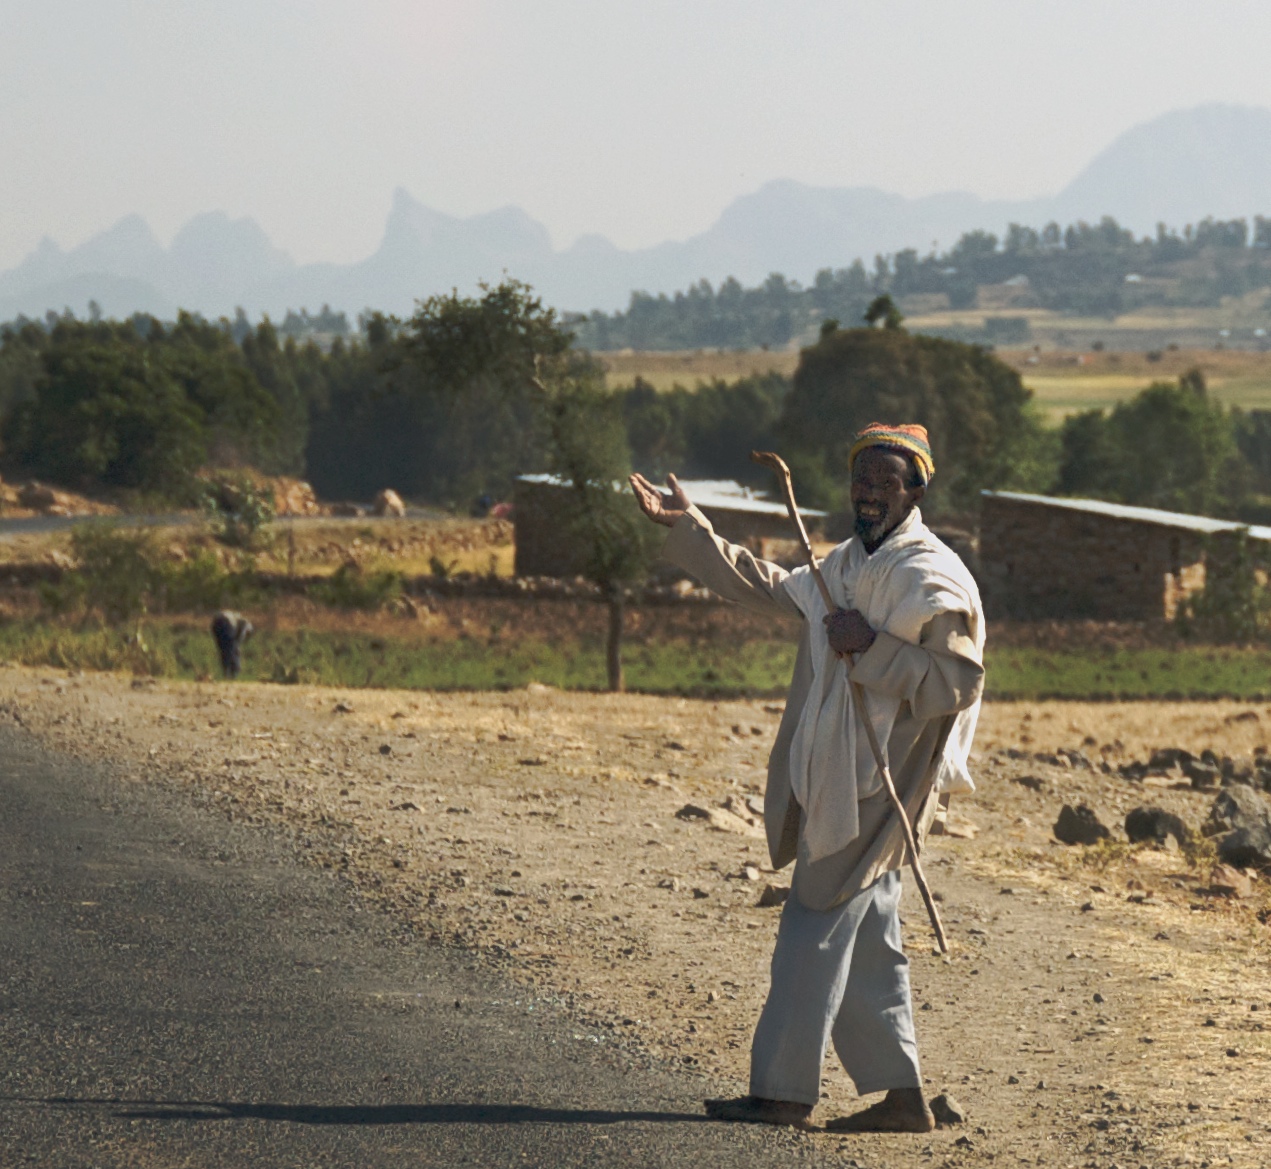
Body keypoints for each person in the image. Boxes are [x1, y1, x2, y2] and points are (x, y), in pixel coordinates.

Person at [628, 423, 984, 1133]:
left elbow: (955, 682)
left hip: (879, 780)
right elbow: (769, 588)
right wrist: (691, 531)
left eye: (886, 481)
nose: (869, 491)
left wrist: (872, 647)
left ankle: (783, 1093)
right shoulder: (844, 564)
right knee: (868, 929)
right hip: (834, 769)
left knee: (810, 925)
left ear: (915, 489)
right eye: (861, 479)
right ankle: (900, 1096)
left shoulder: (930, 575)